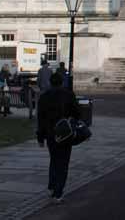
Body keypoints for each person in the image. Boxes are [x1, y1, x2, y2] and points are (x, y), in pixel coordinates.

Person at [37, 72, 80, 202]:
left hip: (50, 133)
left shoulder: (44, 96)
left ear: (50, 82)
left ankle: (52, 185)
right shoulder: (69, 95)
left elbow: (41, 119)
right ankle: (58, 191)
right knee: (63, 162)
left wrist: (40, 137)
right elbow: (77, 113)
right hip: (65, 132)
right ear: (62, 82)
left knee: (54, 159)